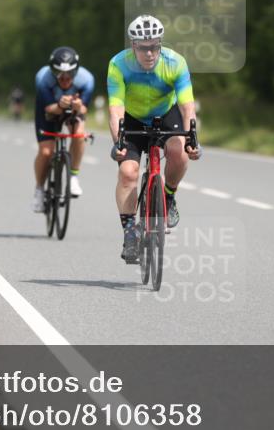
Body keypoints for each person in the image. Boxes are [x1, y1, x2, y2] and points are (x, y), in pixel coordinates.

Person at [108, 15, 201, 262]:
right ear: (133, 45)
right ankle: (129, 232)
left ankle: (168, 196)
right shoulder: (119, 64)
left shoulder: (175, 62)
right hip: (133, 118)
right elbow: (116, 108)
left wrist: (191, 137)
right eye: (143, 47)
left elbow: (186, 105)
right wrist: (118, 141)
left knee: (179, 153)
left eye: (154, 46)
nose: (149, 53)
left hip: (166, 114)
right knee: (128, 172)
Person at [33, 47, 95, 212]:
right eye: (58, 73)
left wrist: (78, 106)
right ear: (51, 70)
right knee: (46, 152)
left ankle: (73, 175)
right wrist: (60, 105)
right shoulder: (42, 78)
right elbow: (49, 109)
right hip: (50, 110)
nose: (65, 78)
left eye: (70, 73)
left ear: (77, 70)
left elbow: (84, 110)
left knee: (79, 134)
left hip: (72, 110)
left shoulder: (86, 79)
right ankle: (39, 189)